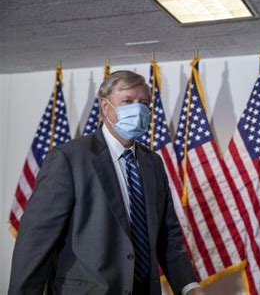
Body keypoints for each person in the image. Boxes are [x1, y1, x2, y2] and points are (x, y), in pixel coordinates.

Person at [9, 71, 204, 295]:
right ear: (105, 105)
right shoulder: (69, 158)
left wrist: (190, 287)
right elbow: (35, 241)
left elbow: (167, 237)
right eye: (127, 101)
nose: (138, 109)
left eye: (144, 103)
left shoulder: (153, 163)